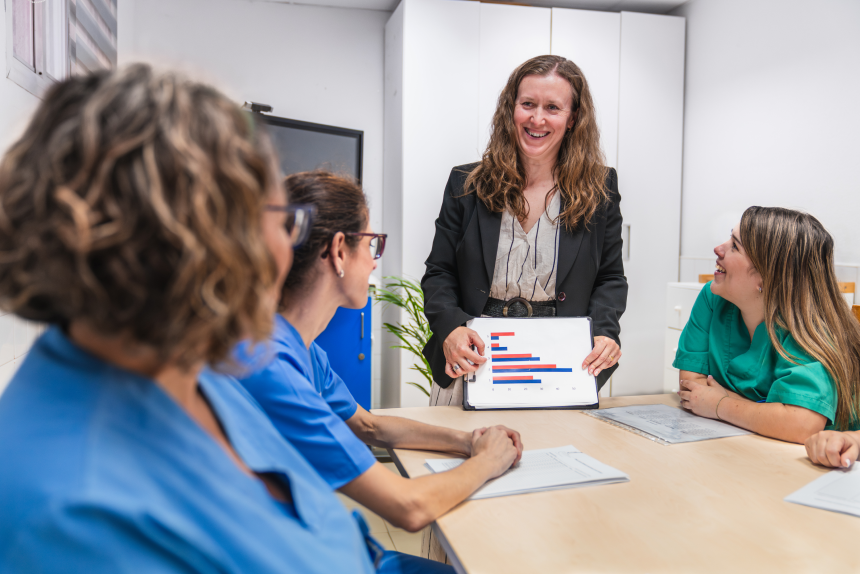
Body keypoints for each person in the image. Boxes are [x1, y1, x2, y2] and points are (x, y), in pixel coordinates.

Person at [0, 65, 446, 574]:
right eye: (285, 222)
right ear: (189, 239)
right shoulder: (69, 510)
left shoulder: (190, 365)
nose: (292, 249)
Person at [237, 171, 523, 541]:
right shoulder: (273, 365)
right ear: (339, 250)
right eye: (371, 244)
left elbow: (369, 426)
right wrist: (489, 461)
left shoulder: (300, 350)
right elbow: (408, 507)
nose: (374, 262)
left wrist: (468, 442)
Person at [421, 54, 628, 406]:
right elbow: (439, 272)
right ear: (511, 108)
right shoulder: (466, 183)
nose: (537, 118)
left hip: (559, 363)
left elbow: (610, 277)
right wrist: (452, 328)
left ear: (573, 117)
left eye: (553, 107)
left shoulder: (599, 188)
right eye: (527, 104)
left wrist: (605, 332)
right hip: (475, 358)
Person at [675, 206, 860, 444]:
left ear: (766, 275)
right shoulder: (713, 298)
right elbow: (692, 391)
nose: (718, 249)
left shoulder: (806, 328)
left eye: (734, 246)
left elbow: (801, 424)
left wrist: (720, 404)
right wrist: (763, 413)